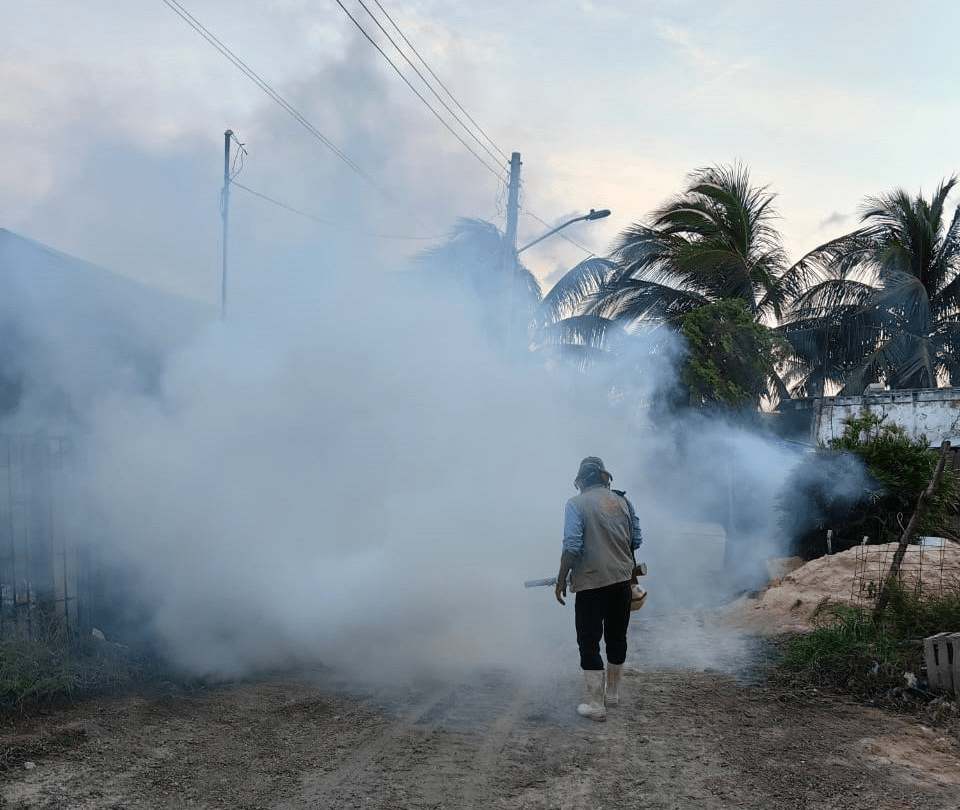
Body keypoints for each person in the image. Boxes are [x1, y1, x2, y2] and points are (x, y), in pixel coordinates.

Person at [555, 456, 642, 721]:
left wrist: (561, 578)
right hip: (622, 581)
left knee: (589, 641)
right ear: (605, 478)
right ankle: (612, 695)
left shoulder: (576, 504)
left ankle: (596, 705)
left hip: (591, 585)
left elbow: (572, 546)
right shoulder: (624, 502)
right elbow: (636, 540)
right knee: (617, 637)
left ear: (580, 481)